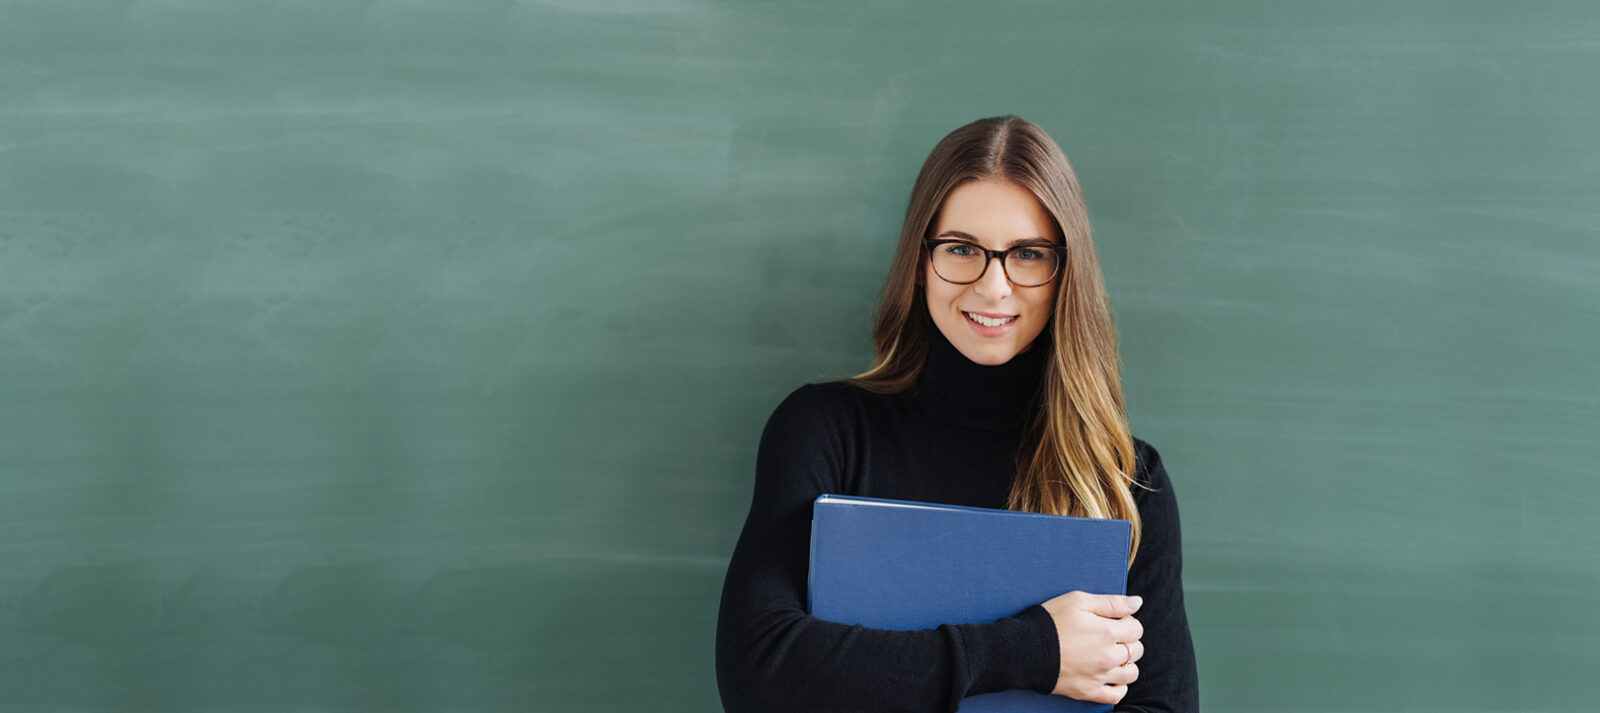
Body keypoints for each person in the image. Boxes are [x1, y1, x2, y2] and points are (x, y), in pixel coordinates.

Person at [715, 116, 1198, 713]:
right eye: (962, 249)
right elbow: (759, 673)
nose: (994, 287)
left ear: (1064, 272)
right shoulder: (825, 432)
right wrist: (1034, 651)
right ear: (920, 260)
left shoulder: (1125, 480)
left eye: (1028, 254)